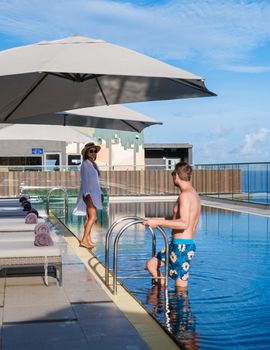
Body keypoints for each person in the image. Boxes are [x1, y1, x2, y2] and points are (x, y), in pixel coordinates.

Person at [144, 162, 201, 288]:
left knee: (180, 287)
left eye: (172, 174)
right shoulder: (192, 193)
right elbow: (176, 218)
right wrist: (154, 219)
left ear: (176, 175)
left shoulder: (185, 196)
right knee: (151, 265)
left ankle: (178, 306)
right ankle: (162, 295)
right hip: (176, 244)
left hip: (182, 246)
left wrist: (158, 222)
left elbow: (184, 223)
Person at [73, 142, 103, 249]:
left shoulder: (93, 164)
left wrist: (100, 193)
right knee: (93, 217)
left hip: (94, 193)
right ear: (86, 153)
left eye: (95, 151)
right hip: (88, 193)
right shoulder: (85, 164)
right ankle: (84, 240)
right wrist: (87, 194)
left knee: (88, 217)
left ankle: (88, 239)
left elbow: (95, 181)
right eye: (91, 151)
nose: (93, 153)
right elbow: (85, 180)